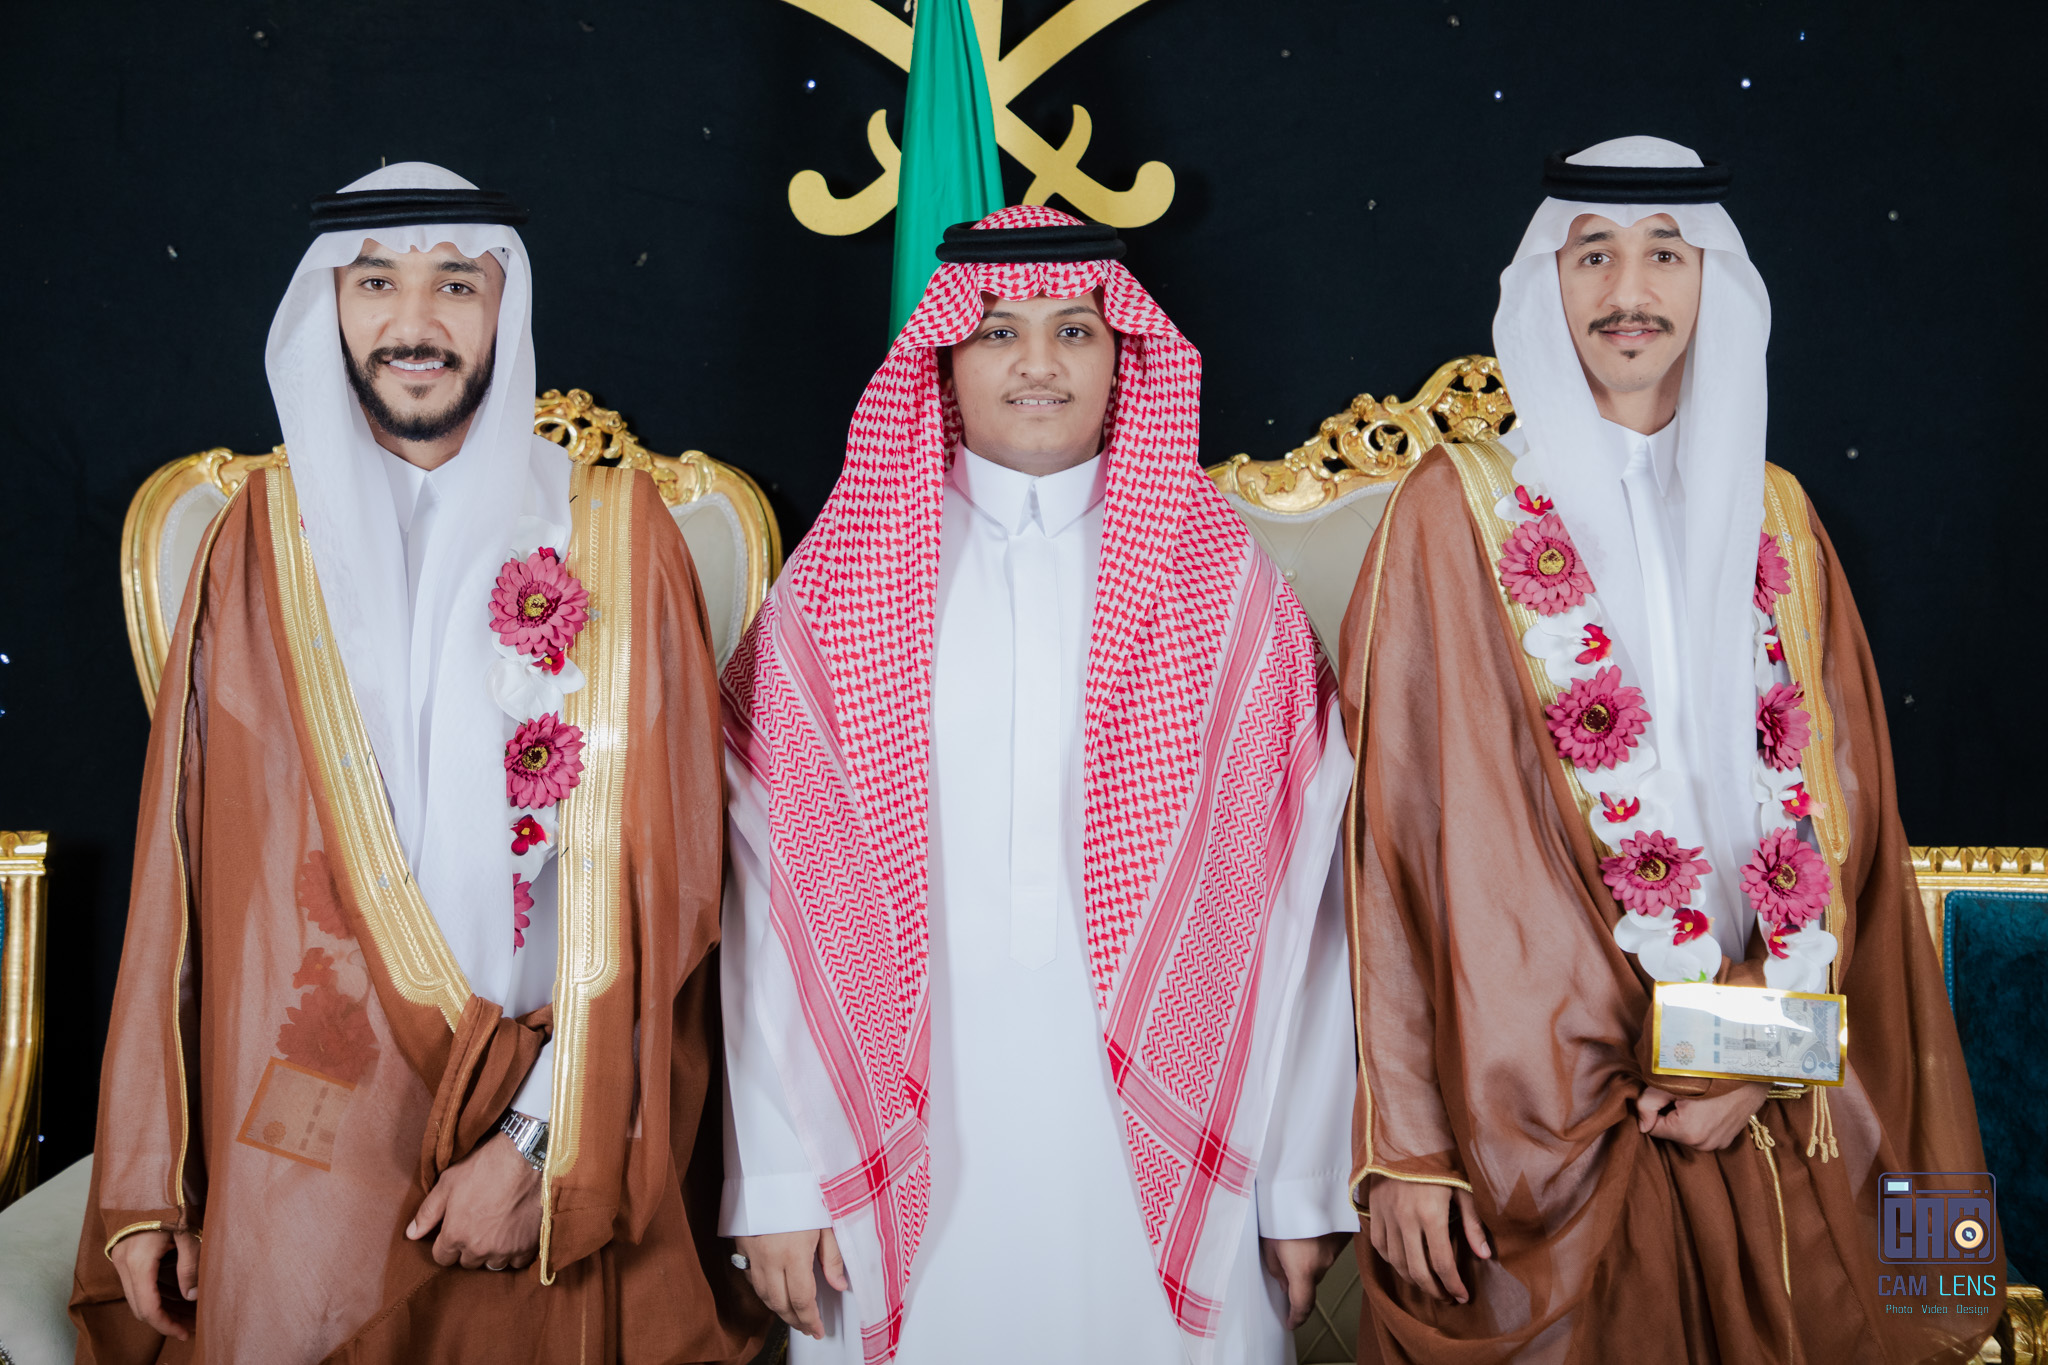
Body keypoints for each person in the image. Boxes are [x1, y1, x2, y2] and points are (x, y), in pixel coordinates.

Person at [71, 162, 764, 1364]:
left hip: (552, 1132)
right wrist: (154, 1182)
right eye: (375, 282)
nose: (414, 321)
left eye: (455, 283)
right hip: (305, 1130)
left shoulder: (617, 533)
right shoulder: (255, 544)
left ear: (504, 307)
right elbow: (183, 877)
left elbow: (670, 890)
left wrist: (539, 1144)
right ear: (328, 310)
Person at [1340, 136, 1995, 1363]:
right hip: (1542, 1093)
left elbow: (1843, 826)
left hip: (1766, 1071)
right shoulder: (1451, 512)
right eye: (1591, 254)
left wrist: (1756, 1056)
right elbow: (1390, 844)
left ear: (1714, 286)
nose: (1627, 291)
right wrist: (1407, 1146)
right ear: (1545, 282)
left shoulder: (1779, 514)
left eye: (1664, 254)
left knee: (1889, 1286)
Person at [718, 205, 1358, 1364]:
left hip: (1175, 1142)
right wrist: (771, 1178)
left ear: (1123, 360)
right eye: (998, 331)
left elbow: (1308, 911)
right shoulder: (837, 589)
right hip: (891, 1132)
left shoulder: (1229, 593)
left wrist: (1303, 1183)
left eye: (1073, 330)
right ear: (942, 358)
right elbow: (763, 904)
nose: (1036, 364)